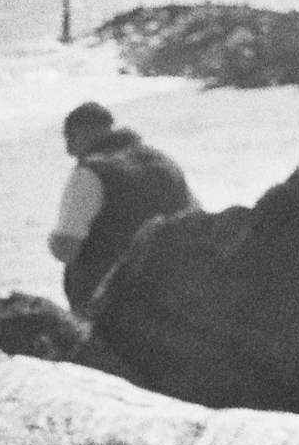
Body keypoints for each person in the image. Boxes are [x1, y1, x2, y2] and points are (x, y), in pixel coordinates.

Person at [47, 101, 197, 313]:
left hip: (111, 300)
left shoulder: (91, 173)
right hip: (175, 290)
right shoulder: (162, 161)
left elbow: (67, 248)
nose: (68, 149)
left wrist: (53, 243)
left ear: (81, 133)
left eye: (68, 137)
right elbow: (195, 218)